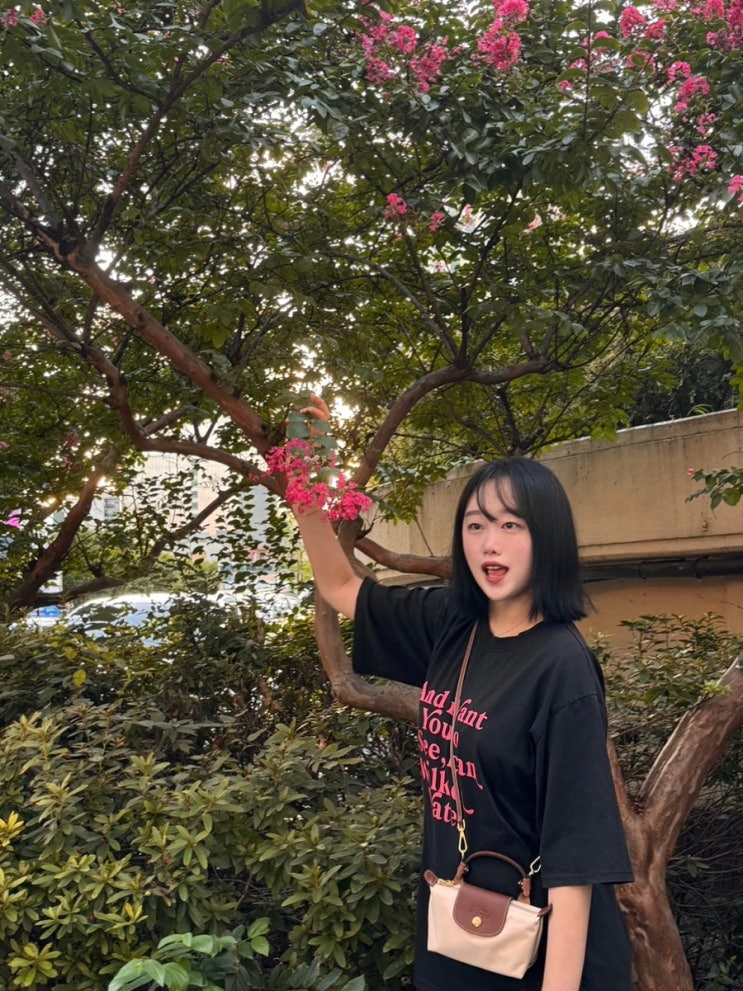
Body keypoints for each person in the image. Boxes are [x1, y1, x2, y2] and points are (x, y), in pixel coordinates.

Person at [291, 396, 634, 991]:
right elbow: (340, 584)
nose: (488, 544)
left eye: (510, 525)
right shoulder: (454, 622)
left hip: (541, 955)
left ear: (547, 539)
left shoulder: (562, 669)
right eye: (476, 525)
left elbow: (575, 861)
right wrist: (305, 477)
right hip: (457, 931)